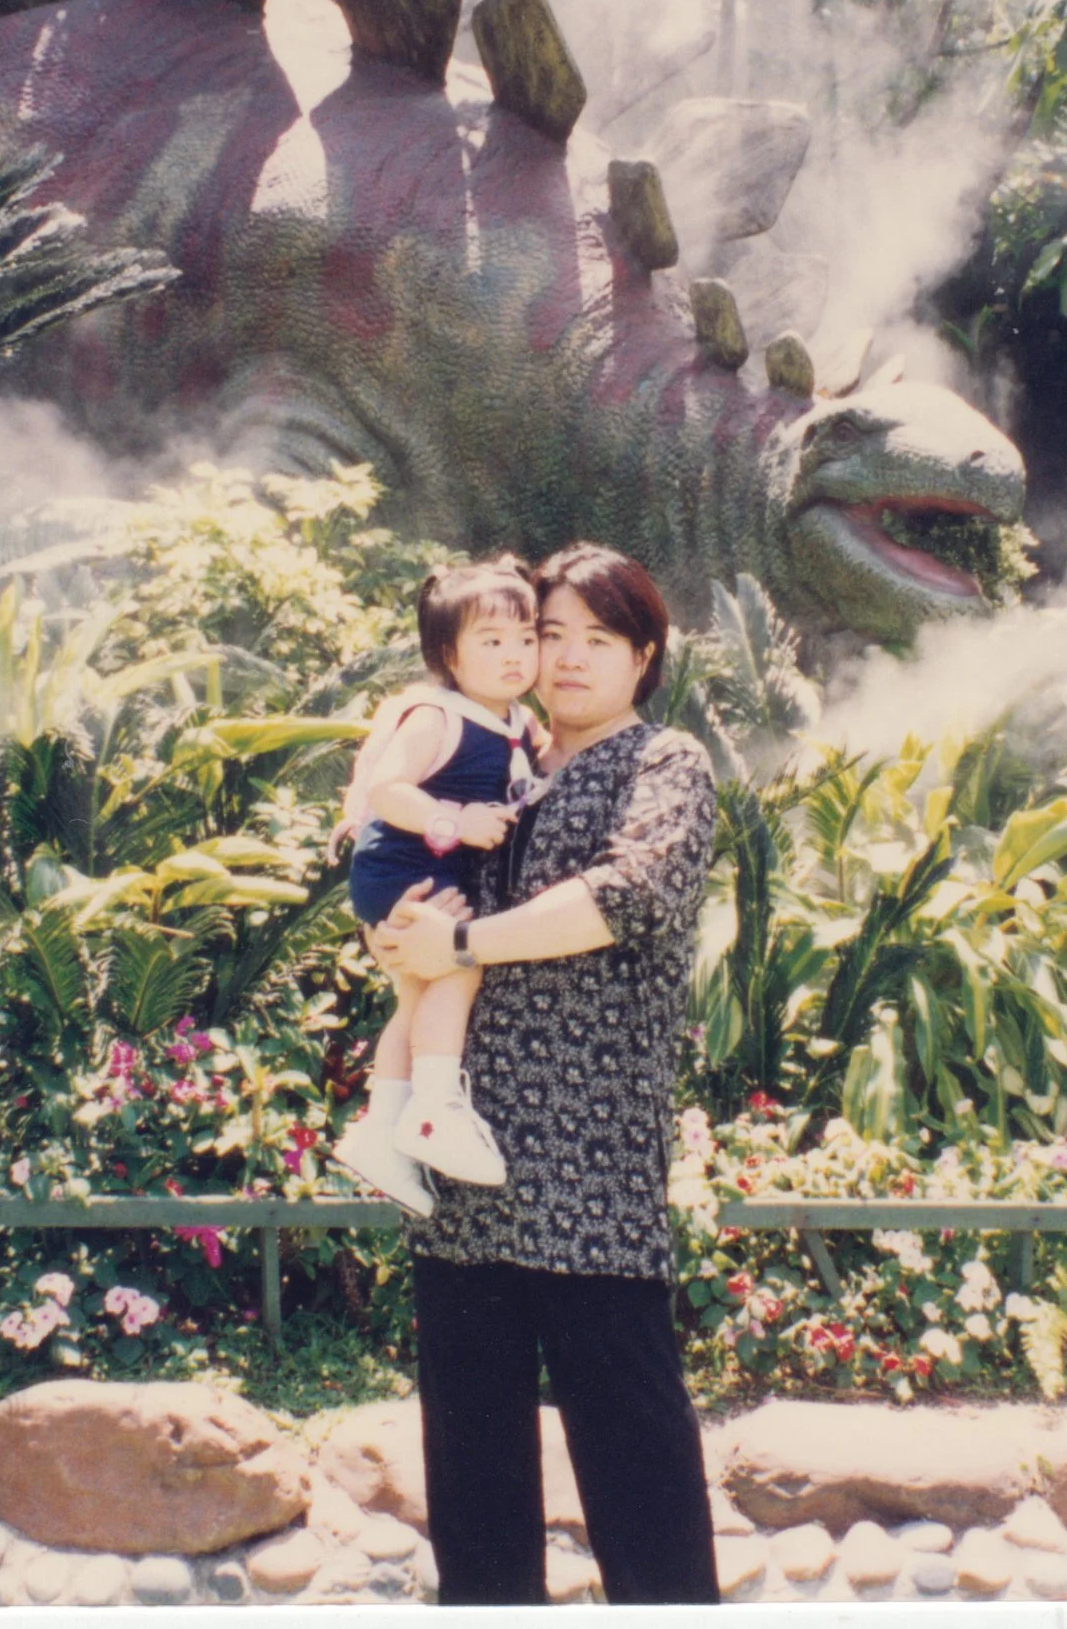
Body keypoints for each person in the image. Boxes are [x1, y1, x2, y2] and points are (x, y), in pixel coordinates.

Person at [369, 542, 722, 1607]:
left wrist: (464, 951)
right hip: (464, 1157)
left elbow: (628, 894)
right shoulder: (500, 762)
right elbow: (405, 863)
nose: (563, 658)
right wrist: (400, 930)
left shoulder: (664, 763)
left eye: (594, 639)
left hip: (587, 1166)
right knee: (473, 1473)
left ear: (643, 654)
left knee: (635, 1457)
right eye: (546, 634)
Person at [330, 557, 545, 1216]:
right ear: (448, 654)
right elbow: (388, 791)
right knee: (456, 969)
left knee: (417, 991)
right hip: (402, 866)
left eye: (527, 637)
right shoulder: (435, 715)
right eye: (492, 640)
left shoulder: (517, 720)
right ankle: (434, 1108)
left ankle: (382, 1127)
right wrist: (454, 820)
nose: (515, 655)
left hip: (433, 868)